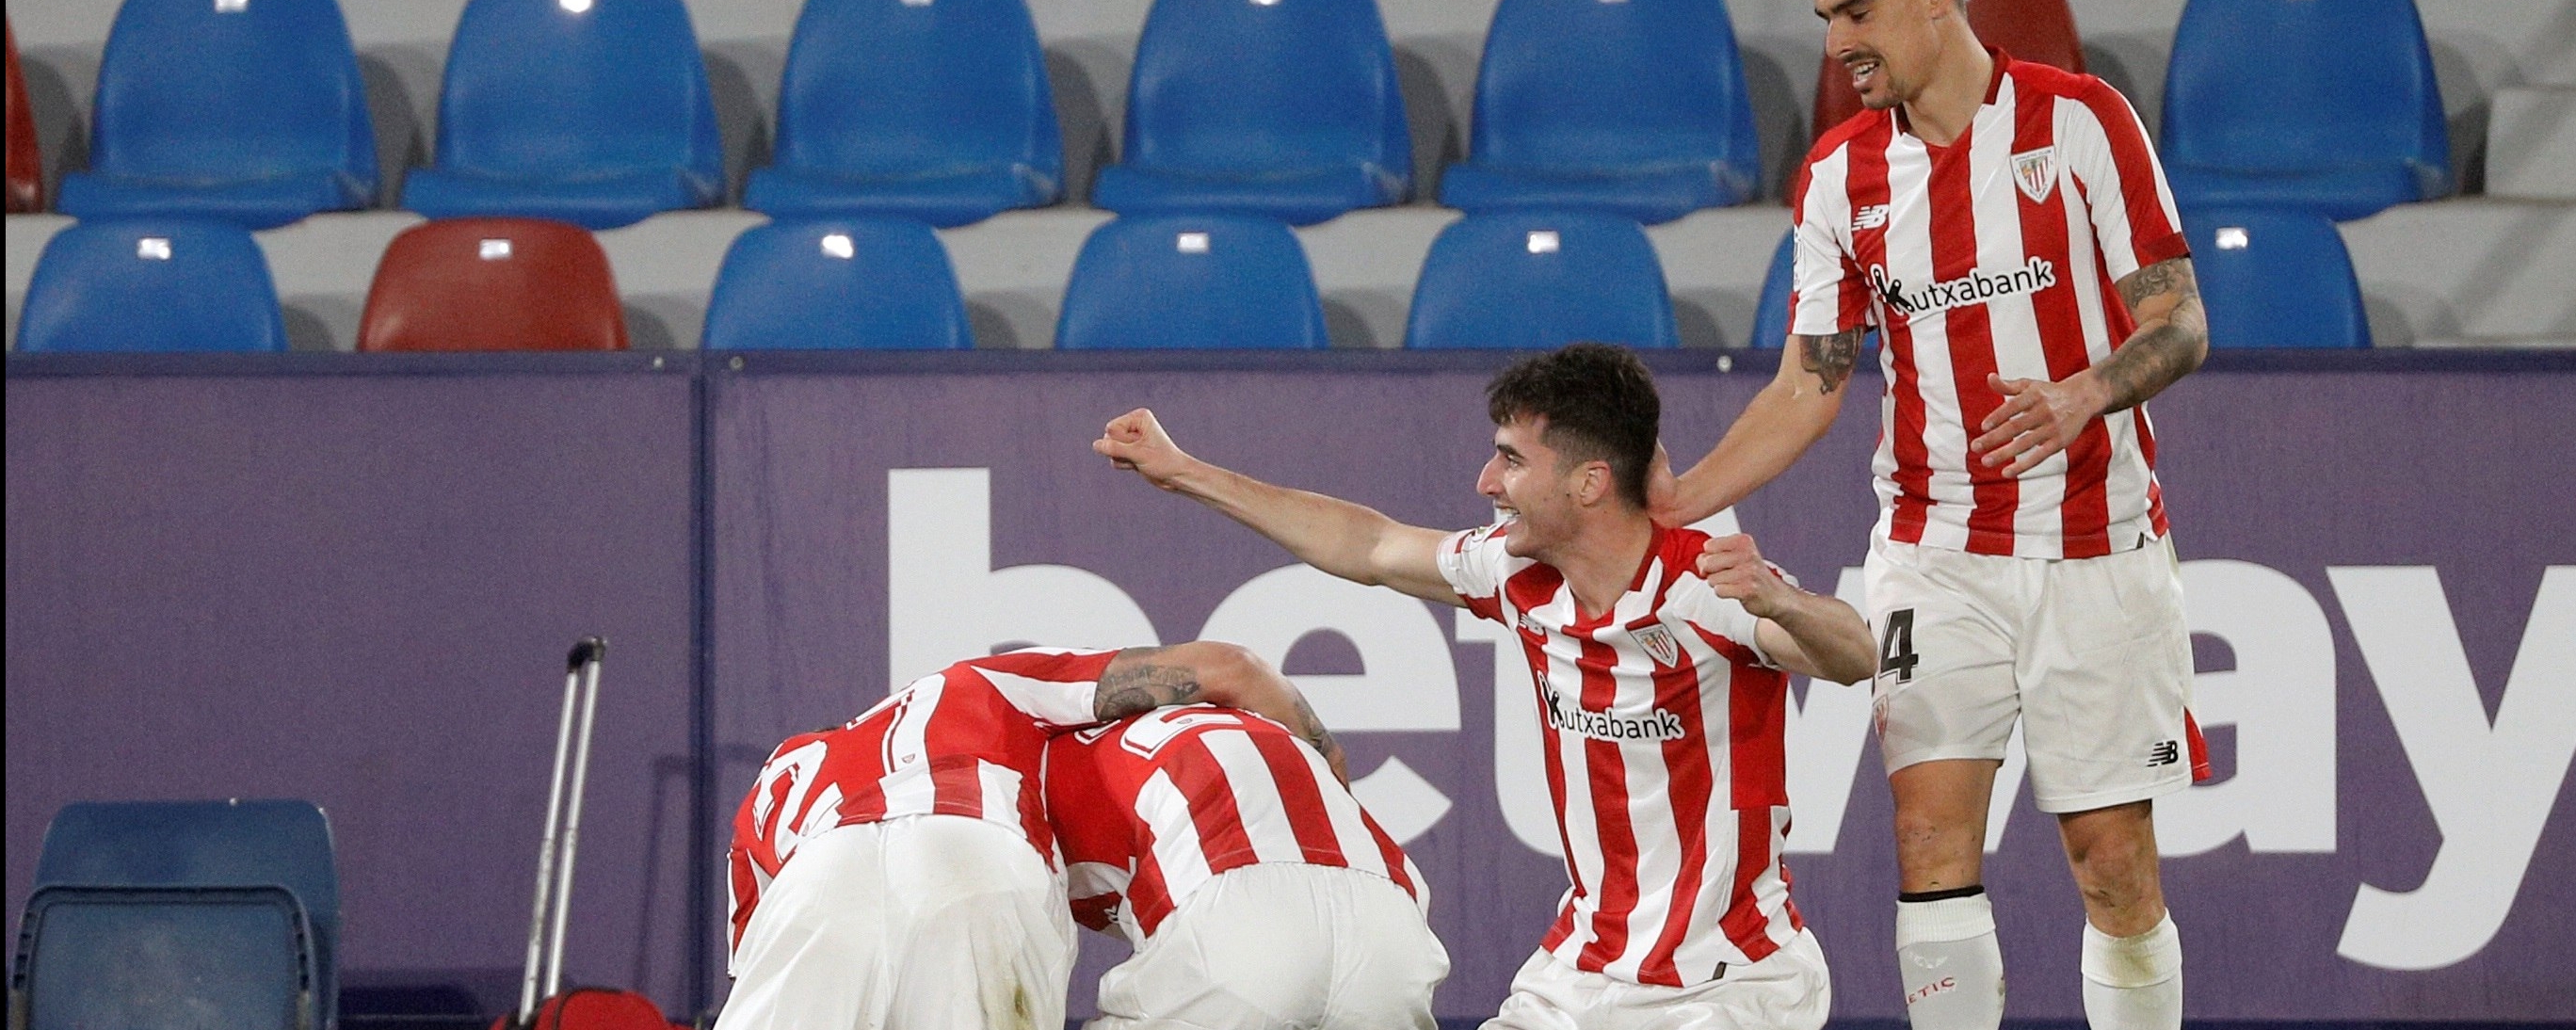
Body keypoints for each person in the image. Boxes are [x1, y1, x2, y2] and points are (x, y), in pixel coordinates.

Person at [1655, 0, 2214, 1030]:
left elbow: (2182, 320)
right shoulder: (1838, 181)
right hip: (1935, 546)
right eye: (1825, 20)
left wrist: (2084, 394)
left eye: (1856, 12)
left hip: (2095, 542)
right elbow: (1811, 380)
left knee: (2110, 860)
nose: (1839, 43)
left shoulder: (2083, 123)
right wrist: (1680, 502)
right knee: (1926, 835)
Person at [1096, 343, 1877, 1030]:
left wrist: (1782, 600)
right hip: (1580, 975)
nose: (1485, 481)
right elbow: (1369, 544)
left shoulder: (1702, 586)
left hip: (1729, 983)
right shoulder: (1515, 573)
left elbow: (1854, 654)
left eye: (1510, 458)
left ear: (1589, 482)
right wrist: (1185, 471)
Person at [717, 641, 1341, 1030]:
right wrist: (1331, 774)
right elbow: (1235, 668)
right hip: (974, 857)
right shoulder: (970, 682)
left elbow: (750, 962)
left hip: (814, 880)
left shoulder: (780, 769)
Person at [1047, 704, 1450, 1029]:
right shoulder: (1212, 707)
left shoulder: (1011, 781)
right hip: (1391, 919)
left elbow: (1012, 969)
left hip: (1234, 918)